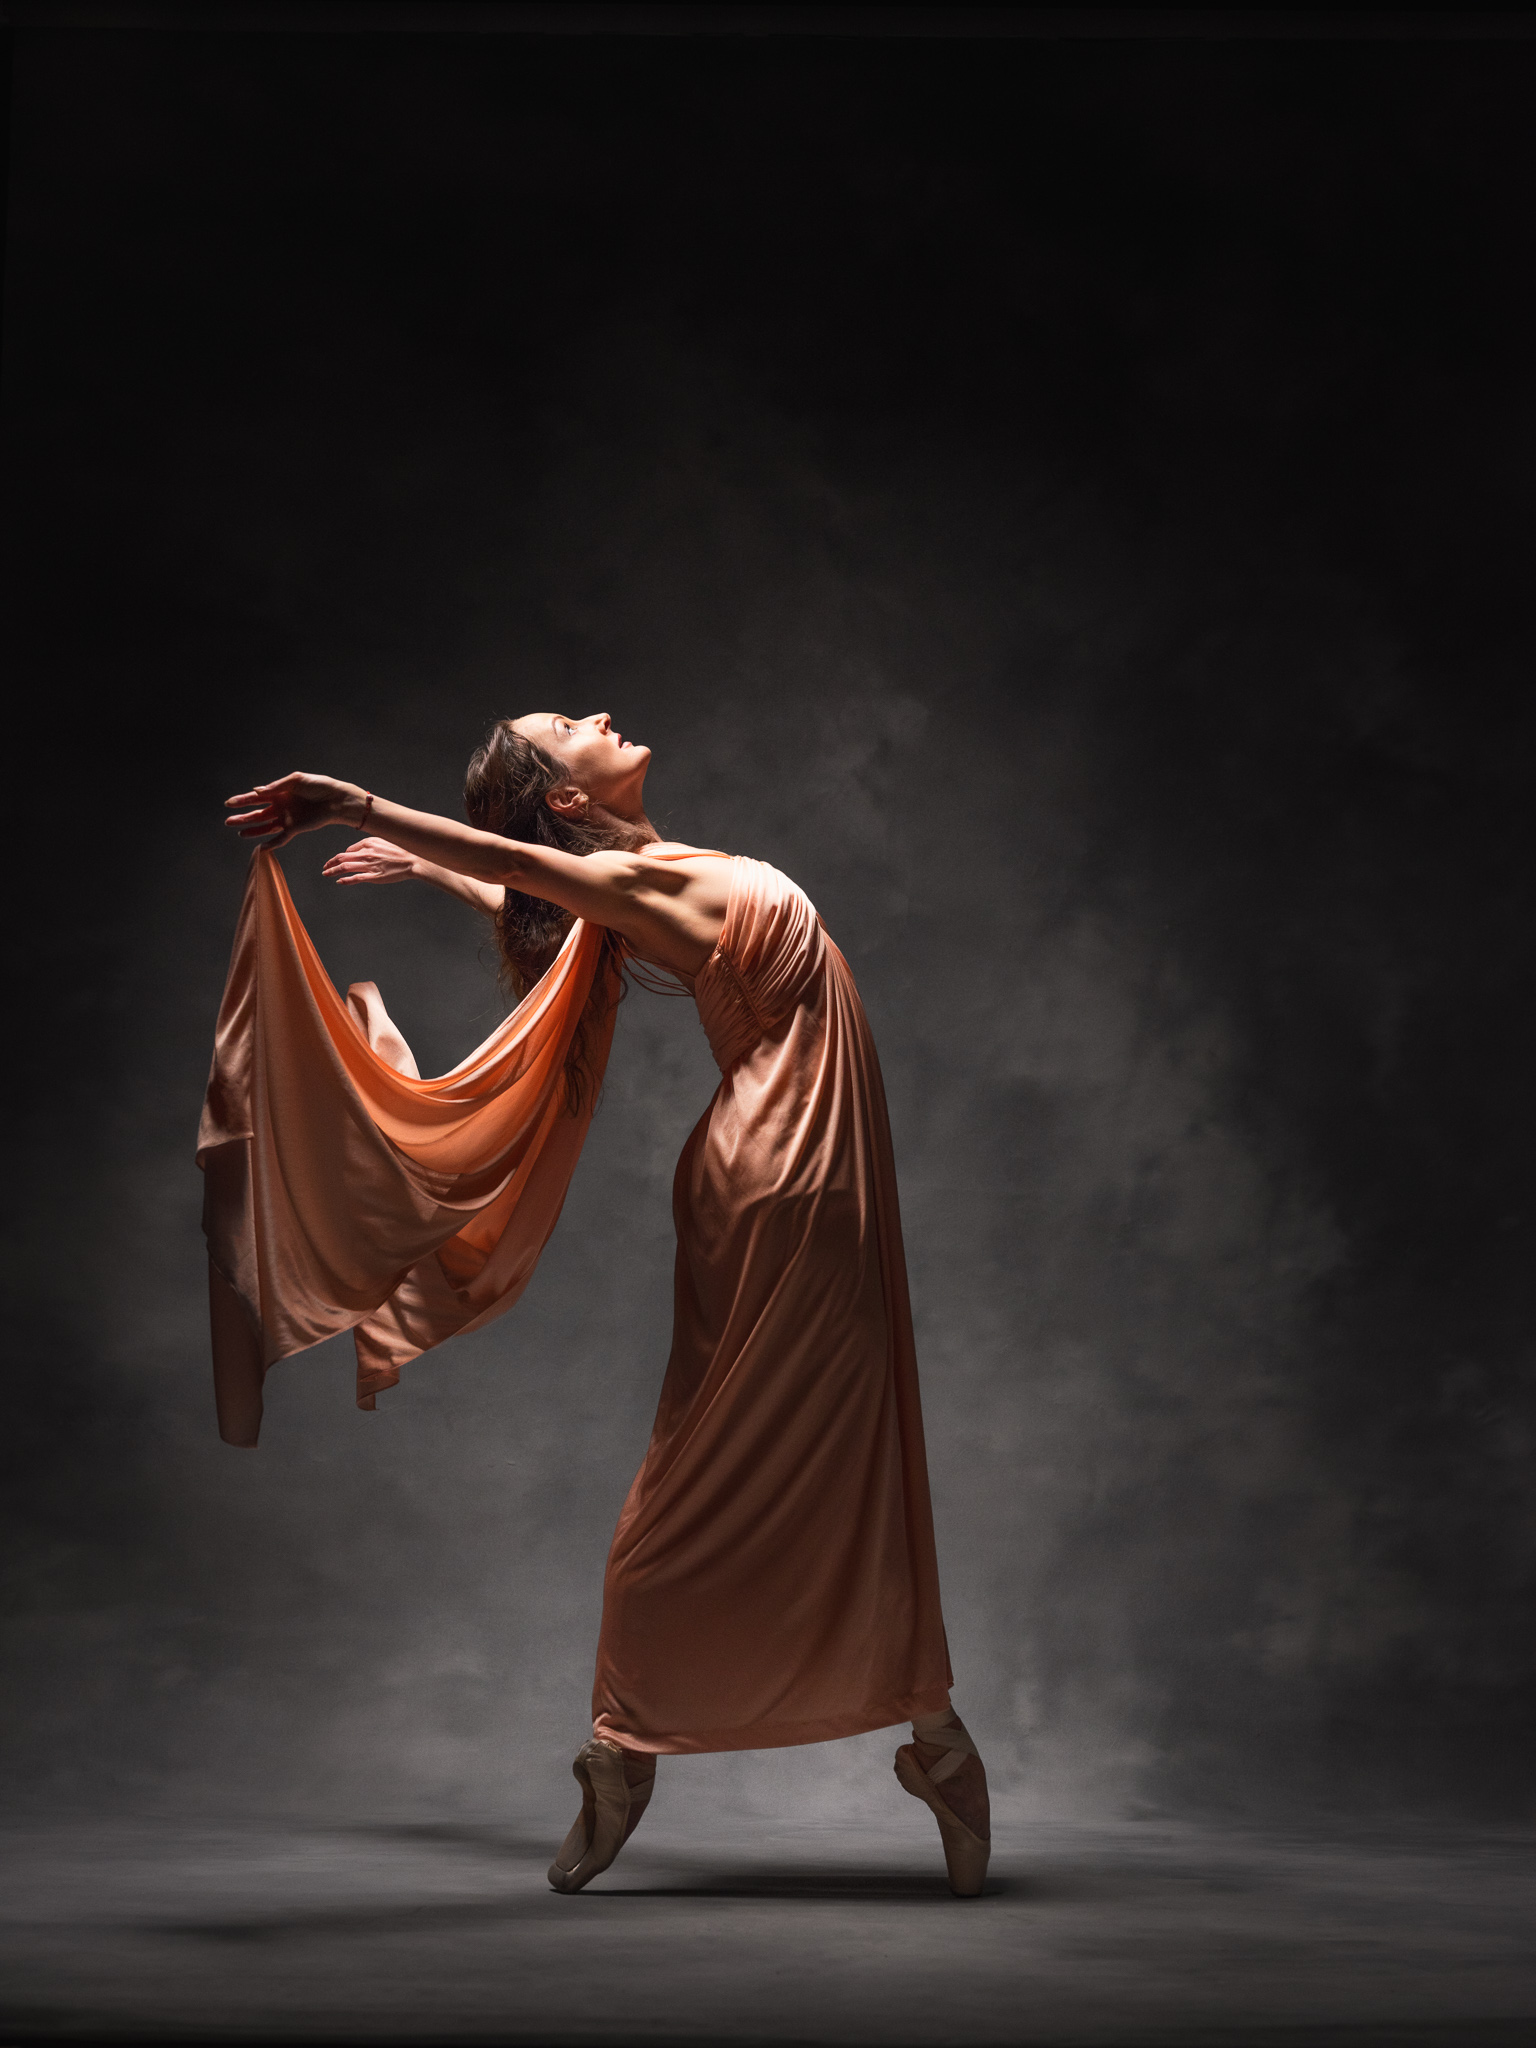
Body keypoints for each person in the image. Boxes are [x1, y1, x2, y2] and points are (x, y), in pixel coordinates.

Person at [224, 710, 991, 1896]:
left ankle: (925, 1737)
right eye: (568, 726)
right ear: (570, 798)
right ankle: (631, 1750)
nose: (597, 718)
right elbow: (539, 874)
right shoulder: (628, 880)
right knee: (709, 1466)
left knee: (858, 1458)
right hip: (787, 1180)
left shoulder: (645, 879)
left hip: (815, 1174)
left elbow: (552, 896)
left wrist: (433, 867)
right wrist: (367, 809)